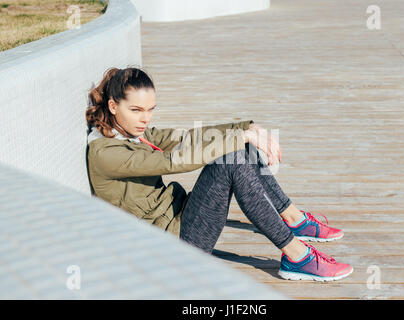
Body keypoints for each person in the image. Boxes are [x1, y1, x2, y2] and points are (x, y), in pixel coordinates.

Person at [85, 66, 353, 282]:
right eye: (136, 110)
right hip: (173, 246)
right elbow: (174, 161)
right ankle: (297, 256)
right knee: (233, 158)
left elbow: (190, 138)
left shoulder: (134, 133)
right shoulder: (106, 153)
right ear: (112, 106)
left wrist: (245, 128)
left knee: (241, 147)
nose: (146, 119)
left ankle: (292, 218)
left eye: (151, 110)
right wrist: (240, 137)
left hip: (180, 218)